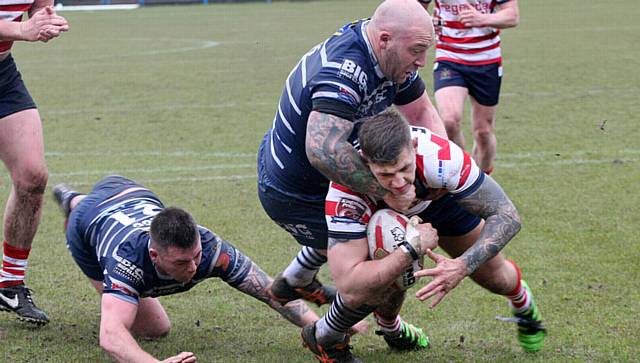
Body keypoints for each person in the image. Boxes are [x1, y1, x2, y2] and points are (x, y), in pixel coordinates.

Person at [259, 0, 446, 323]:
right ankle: (345, 337)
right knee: (384, 251)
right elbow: (323, 150)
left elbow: (422, 112)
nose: (422, 61)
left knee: (358, 229)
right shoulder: (346, 69)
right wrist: (387, 192)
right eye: (417, 50)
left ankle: (294, 281)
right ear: (385, 39)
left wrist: (439, 170)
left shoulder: (387, 53)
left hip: (316, 177)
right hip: (293, 190)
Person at [310, 109, 544, 361]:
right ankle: (390, 327)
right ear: (365, 161)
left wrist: (462, 266)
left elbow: (507, 215)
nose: (398, 182)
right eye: (386, 174)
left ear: (413, 147)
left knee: (496, 279)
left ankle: (521, 300)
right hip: (378, 212)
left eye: (404, 168)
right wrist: (409, 249)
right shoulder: (346, 191)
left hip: (442, 205)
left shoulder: (439, 156)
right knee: (383, 265)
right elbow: (349, 285)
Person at [51, 176, 321, 363]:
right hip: (89, 222)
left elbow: (267, 289)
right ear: (154, 255)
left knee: (155, 325)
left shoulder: (211, 247)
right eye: (181, 262)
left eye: (195, 256)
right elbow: (110, 336)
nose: (193, 268)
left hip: (129, 191)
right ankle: (74, 202)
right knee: (154, 329)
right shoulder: (125, 263)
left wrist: (321, 327)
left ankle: (76, 198)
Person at [0, 0, 69, 325]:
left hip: (3, 76)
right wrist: (22, 30)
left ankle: (9, 284)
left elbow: (39, 6)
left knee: (32, 177)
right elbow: (22, 26)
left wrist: (46, 18)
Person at [419, 0, 520, 174]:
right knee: (449, 120)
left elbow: (512, 16)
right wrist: (426, 21)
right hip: (449, 58)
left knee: (483, 132)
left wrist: (482, 18)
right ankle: (462, 173)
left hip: (487, 61)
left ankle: (484, 177)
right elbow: (413, 9)